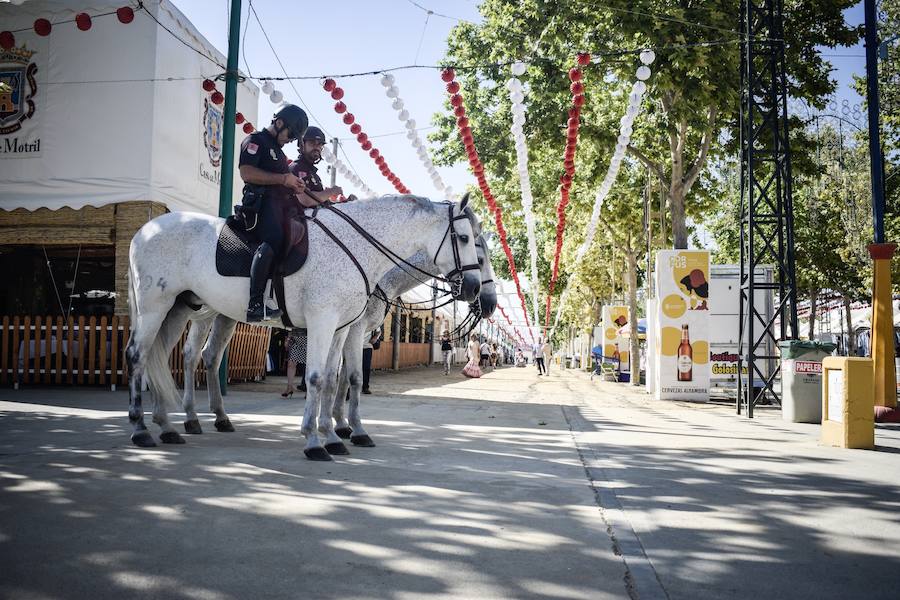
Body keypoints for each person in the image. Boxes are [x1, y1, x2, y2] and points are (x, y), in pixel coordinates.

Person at [238, 104, 316, 322]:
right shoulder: (255, 141)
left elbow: (283, 181)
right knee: (275, 237)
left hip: (280, 207)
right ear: (279, 123)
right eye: (291, 133)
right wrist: (283, 179)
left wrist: (294, 185)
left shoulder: (279, 153)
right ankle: (255, 304)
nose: (291, 139)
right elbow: (246, 172)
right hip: (259, 207)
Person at [289, 126, 349, 203]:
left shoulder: (312, 173)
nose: (316, 147)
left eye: (319, 144)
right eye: (312, 143)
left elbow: (321, 205)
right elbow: (306, 200)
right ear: (302, 145)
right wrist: (331, 191)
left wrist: (346, 203)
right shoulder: (296, 168)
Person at [282, 328, 306, 397]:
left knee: (309, 365)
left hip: (309, 339)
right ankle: (289, 388)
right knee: (290, 364)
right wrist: (288, 338)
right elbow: (291, 324)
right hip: (296, 339)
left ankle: (308, 391)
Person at [362, 328, 380, 394]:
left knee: (366, 368)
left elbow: (378, 331)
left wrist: (375, 338)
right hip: (355, 346)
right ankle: (348, 389)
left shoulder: (372, 320)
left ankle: (365, 387)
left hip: (367, 347)